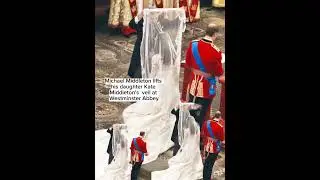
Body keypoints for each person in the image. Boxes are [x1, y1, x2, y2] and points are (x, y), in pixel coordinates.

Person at [181, 23, 224, 130]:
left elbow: (188, 63)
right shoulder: (216, 51)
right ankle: (198, 135)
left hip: (193, 84)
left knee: (192, 109)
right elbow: (219, 72)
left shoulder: (193, 44)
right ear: (215, 34)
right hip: (206, 87)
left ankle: (188, 131)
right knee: (202, 113)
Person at [201, 112, 225, 180]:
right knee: (210, 164)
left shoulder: (206, 122)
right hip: (214, 148)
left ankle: (204, 177)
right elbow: (221, 139)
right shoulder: (220, 127)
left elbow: (202, 134)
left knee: (206, 163)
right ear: (220, 117)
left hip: (206, 146)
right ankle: (207, 178)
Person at [127, 11, 144, 78]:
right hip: (140, 45)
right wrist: (138, 17)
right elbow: (131, 24)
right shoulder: (142, 19)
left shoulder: (159, 20)